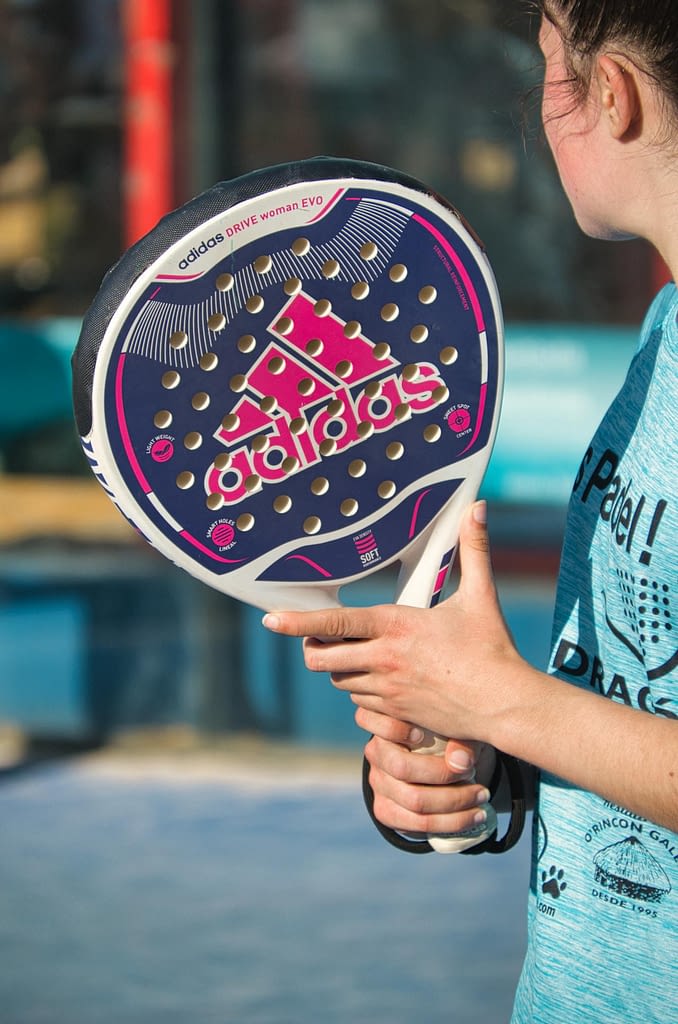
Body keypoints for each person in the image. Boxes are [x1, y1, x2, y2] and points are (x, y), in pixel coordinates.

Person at [263, 1, 678, 1020]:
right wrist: (491, 762)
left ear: (610, 93)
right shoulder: (667, 324)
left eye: (547, 63)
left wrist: (503, 702)